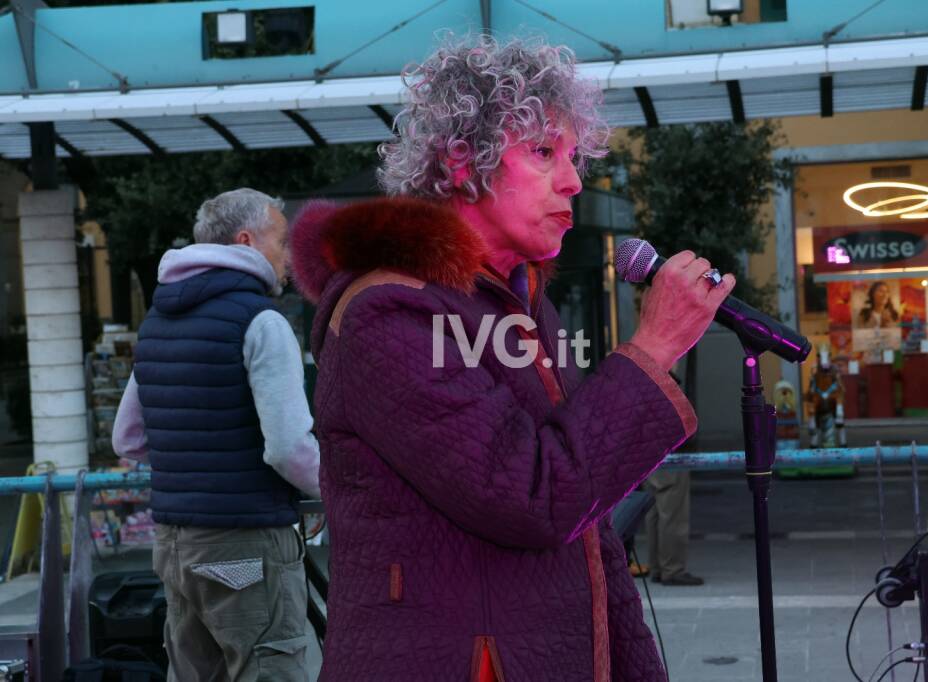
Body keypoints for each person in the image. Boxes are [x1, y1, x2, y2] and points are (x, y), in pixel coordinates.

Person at [290, 34, 734, 681]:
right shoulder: (388, 313)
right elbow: (536, 496)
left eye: (575, 155)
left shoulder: (516, 302)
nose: (575, 179)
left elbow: (591, 533)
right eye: (545, 151)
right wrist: (654, 347)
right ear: (465, 161)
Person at [112, 188, 321, 681]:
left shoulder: (158, 322)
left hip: (174, 546)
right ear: (247, 242)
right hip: (247, 541)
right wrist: (331, 491)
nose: (288, 256)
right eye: (283, 241)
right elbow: (290, 448)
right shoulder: (261, 321)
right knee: (272, 667)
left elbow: (127, 439)